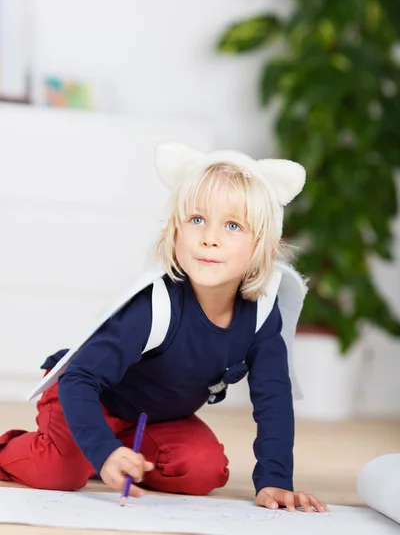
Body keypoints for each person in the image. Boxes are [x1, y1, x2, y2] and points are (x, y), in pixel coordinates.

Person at [0, 142, 328, 514]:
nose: (210, 237)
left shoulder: (262, 313)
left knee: (203, 470)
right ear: (175, 233)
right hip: (84, 394)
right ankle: (36, 451)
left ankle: (105, 456)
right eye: (197, 219)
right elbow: (79, 379)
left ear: (264, 249)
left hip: (151, 419)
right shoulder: (155, 305)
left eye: (233, 225)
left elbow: (273, 399)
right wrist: (103, 448)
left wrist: (275, 480)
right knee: (60, 471)